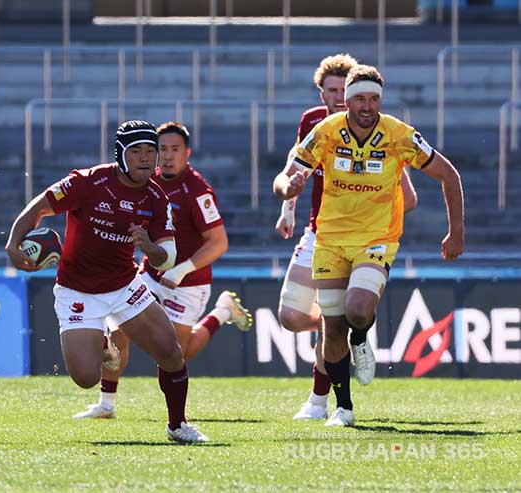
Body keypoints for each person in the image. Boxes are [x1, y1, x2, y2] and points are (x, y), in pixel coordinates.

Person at [274, 64, 464, 427]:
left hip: (376, 239)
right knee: (330, 331)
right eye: (359, 98)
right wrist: (289, 189)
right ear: (346, 100)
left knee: (358, 310)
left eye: (373, 98)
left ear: (381, 100)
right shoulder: (326, 131)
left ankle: (360, 338)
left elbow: (448, 174)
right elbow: (285, 175)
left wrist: (456, 232)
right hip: (328, 240)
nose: (366, 106)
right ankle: (342, 408)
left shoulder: (398, 134)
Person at [5, 120, 209, 443]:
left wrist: (148, 247)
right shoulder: (87, 182)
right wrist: (13, 243)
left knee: (171, 353)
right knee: (85, 378)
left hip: (124, 286)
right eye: (137, 151)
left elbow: (167, 257)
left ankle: (177, 425)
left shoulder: (156, 197)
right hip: (77, 290)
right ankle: (103, 343)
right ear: (120, 155)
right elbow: (40, 208)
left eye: (150, 152)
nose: (146, 158)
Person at [73, 121, 253, 420]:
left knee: (178, 353)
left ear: (187, 153)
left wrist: (181, 269)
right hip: (150, 274)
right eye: (162, 150)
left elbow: (219, 243)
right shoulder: (146, 181)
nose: (167, 156)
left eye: (175, 149)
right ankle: (106, 404)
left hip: (188, 282)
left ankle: (222, 311)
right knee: (119, 329)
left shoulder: (197, 191)